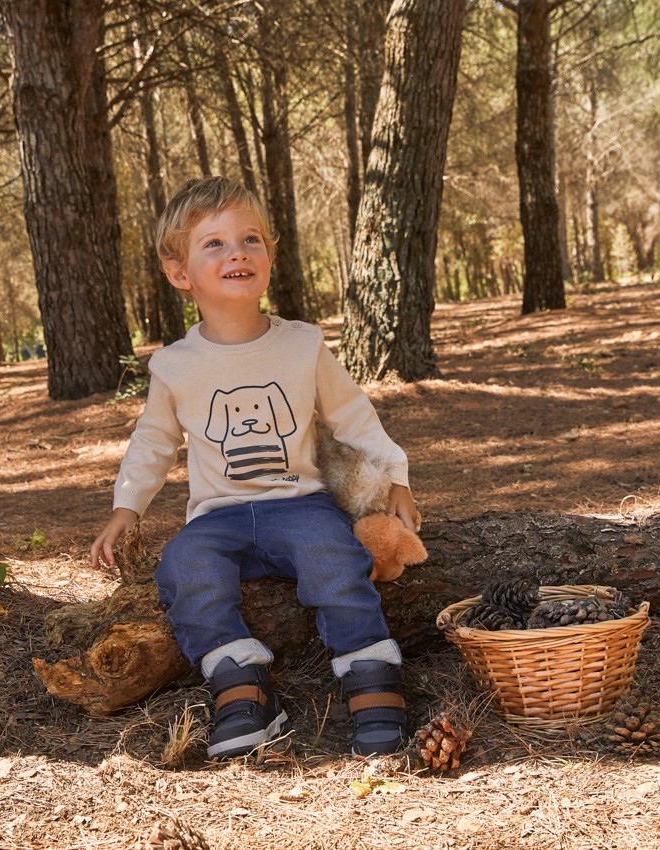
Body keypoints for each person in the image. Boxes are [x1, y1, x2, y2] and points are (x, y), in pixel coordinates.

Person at [91, 176, 420, 760]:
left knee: (335, 559)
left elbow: (350, 414)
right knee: (184, 564)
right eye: (213, 244)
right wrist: (126, 508)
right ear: (180, 273)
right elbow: (153, 442)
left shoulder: (302, 345)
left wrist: (397, 475)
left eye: (250, 239)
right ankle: (240, 685)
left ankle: (371, 676)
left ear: (268, 256)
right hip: (220, 516)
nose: (236, 252)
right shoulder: (175, 365)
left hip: (300, 504)